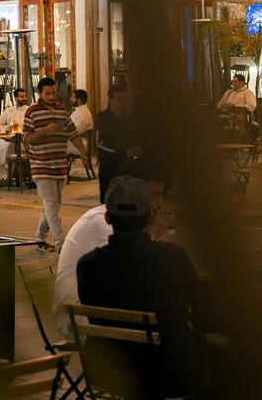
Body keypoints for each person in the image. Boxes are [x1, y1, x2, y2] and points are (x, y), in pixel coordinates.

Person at [76, 177, 209, 399]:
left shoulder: (87, 265)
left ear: (107, 217)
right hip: (169, 370)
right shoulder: (173, 257)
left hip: (114, 370)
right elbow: (199, 305)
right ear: (150, 216)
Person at [52, 159, 173, 337]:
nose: (159, 203)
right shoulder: (106, 222)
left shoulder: (120, 218)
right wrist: (154, 234)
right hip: (81, 318)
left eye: (161, 195)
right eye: (153, 196)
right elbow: (134, 268)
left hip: (108, 312)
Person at [24, 77, 86, 250]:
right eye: (47, 94)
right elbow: (27, 138)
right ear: (40, 93)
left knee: (52, 205)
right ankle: (61, 243)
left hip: (59, 166)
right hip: (41, 165)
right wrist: (46, 130)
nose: (51, 97)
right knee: (51, 204)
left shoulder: (61, 110)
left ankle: (39, 238)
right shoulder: (32, 112)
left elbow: (72, 133)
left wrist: (83, 151)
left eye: (54, 93)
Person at [95, 85, 140, 202]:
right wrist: (123, 152)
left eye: (125, 98)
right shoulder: (103, 118)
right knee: (109, 202)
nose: (123, 102)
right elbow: (99, 144)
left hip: (129, 168)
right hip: (110, 167)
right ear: (111, 100)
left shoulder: (129, 119)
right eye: (119, 98)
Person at [67, 89, 93, 160]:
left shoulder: (84, 114)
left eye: (73, 98)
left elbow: (75, 131)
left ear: (78, 100)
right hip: (72, 140)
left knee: (55, 144)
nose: (71, 99)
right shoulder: (77, 111)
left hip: (79, 143)